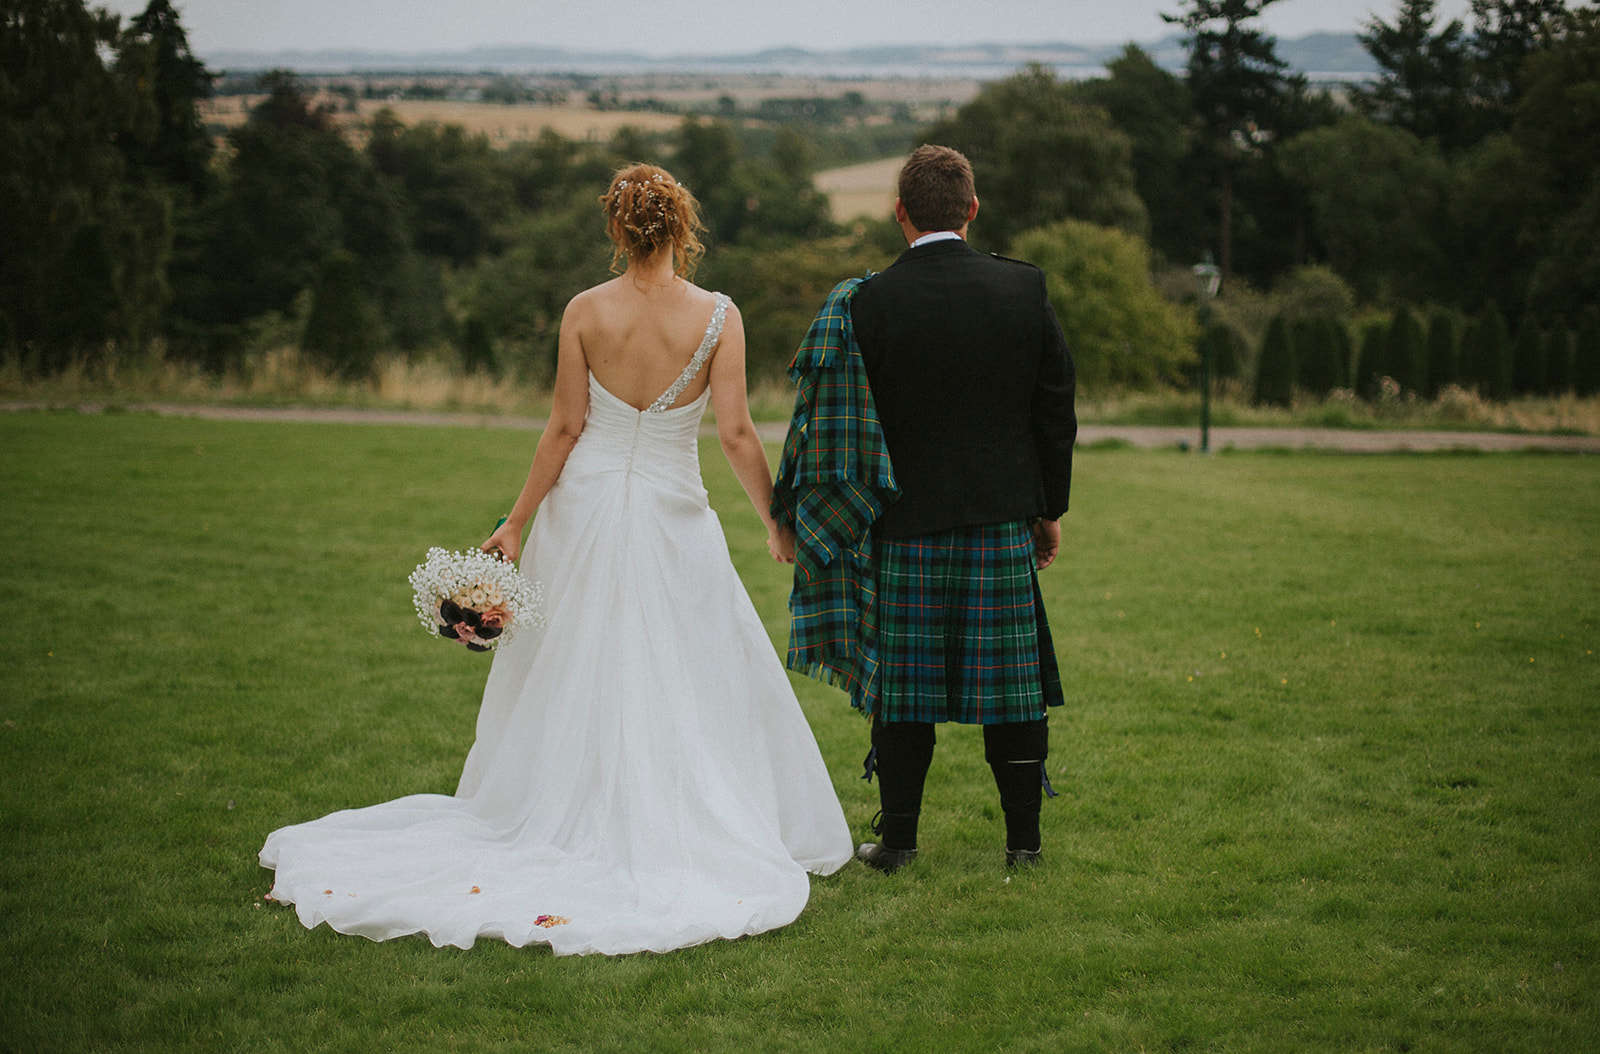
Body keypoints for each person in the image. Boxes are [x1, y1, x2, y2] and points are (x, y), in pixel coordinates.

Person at [261, 163, 853, 954]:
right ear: (683, 229)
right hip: (674, 517)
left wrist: (516, 521)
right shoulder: (719, 316)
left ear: (617, 229)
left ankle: (566, 807)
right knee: (684, 664)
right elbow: (738, 434)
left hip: (583, 512)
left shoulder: (585, 312)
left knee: (577, 663)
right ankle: (668, 815)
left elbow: (565, 430)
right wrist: (777, 520)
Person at [775, 145, 1076, 874]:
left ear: (900, 213)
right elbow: (1054, 411)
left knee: (903, 693)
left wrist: (795, 509)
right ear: (972, 209)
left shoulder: (867, 303)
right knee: (1012, 691)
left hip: (902, 523)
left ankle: (900, 843)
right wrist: (1046, 507)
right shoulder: (1024, 289)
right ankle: (1024, 846)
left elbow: (826, 422)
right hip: (1001, 521)